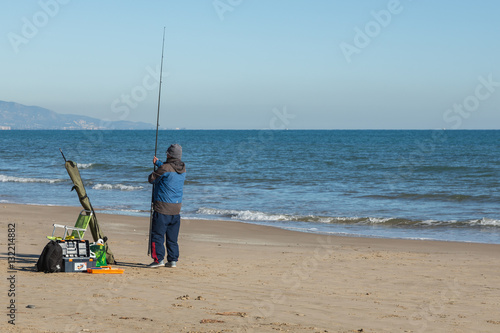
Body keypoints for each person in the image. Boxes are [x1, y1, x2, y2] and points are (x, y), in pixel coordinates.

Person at [148, 143, 186, 268]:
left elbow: (151, 179)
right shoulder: (183, 168)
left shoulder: (164, 168)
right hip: (176, 208)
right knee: (172, 237)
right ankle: (173, 260)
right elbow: (169, 170)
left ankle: (158, 259)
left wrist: (157, 168)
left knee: (157, 234)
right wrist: (159, 163)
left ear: (169, 155)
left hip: (162, 207)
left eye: (167, 153)